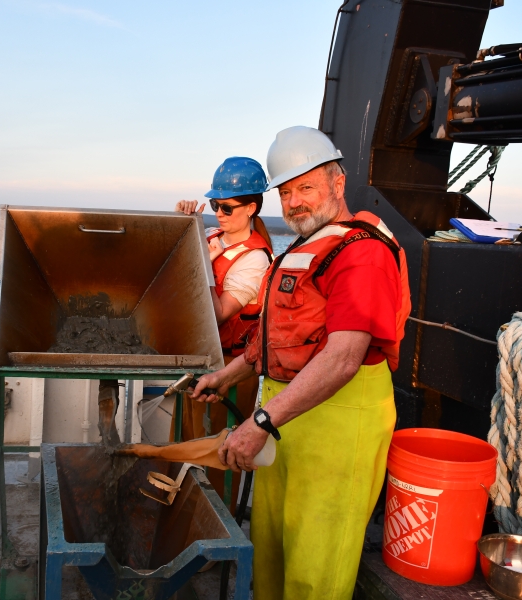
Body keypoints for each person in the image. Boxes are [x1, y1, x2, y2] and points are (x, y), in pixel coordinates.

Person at [191, 126, 411, 599]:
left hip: (336, 424)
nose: (294, 203)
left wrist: (261, 422)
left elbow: (342, 359)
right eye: (286, 192)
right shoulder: (306, 247)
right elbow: (274, 337)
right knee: (271, 552)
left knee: (316, 567)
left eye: (306, 187)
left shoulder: (363, 253)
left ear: (338, 183)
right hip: (286, 421)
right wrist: (224, 377)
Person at [172, 156, 273, 513]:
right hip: (196, 359)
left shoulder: (255, 260)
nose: (219, 213)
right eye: (214, 205)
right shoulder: (212, 236)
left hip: (229, 369)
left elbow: (216, 314)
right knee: (184, 446)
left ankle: (215, 534)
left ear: (251, 207)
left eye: (227, 207)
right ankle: (183, 518)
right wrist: (185, 225)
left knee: (217, 456)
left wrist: (204, 265)